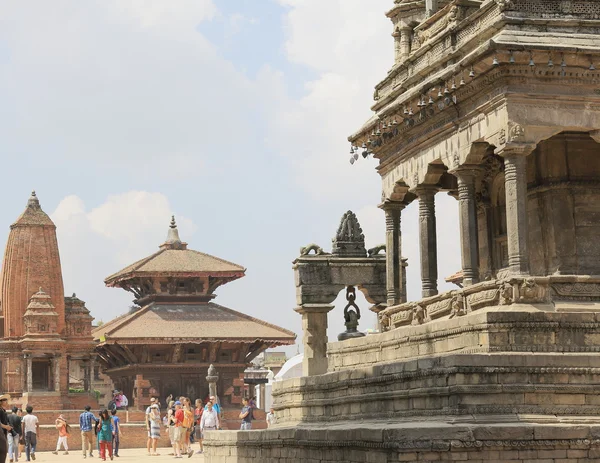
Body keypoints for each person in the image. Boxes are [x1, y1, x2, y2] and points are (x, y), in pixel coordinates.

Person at [0, 395, 12, 463]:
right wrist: (5, 426)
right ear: (1, 402)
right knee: (3, 450)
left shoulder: (3, 410)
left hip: (3, 432)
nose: (6, 401)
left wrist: (7, 426)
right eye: (4, 400)